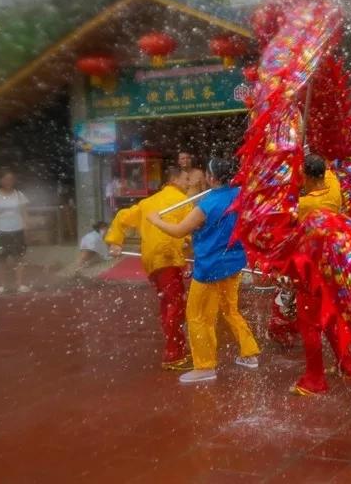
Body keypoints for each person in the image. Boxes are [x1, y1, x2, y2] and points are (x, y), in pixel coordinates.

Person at [148, 157, 261, 383]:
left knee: (198, 316)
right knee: (230, 309)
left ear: (210, 178)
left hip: (210, 267)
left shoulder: (206, 205)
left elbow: (179, 231)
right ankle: (250, 354)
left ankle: (205, 366)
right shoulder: (240, 194)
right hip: (234, 263)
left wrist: (155, 220)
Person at [105, 166, 192, 370]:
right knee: (175, 307)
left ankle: (174, 349)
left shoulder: (148, 202)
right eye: (187, 179)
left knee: (168, 305)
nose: (190, 183)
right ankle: (174, 355)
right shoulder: (183, 201)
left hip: (152, 261)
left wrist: (116, 241)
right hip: (167, 258)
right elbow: (187, 230)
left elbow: (122, 217)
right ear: (175, 179)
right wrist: (187, 243)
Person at [291, 153, 351, 395]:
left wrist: (292, 189)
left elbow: (286, 217)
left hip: (311, 268)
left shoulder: (305, 206)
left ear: (307, 175)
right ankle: (347, 365)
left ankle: (314, 379)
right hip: (333, 264)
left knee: (309, 325)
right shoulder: (334, 187)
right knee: (329, 317)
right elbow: (327, 167)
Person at [0, 169, 30, 295]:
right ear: (0, 180)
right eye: (5, 179)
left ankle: (19, 284)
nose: (8, 181)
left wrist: (26, 228)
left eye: (10, 179)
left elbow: (25, 213)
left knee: (19, 258)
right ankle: (3, 286)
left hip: (18, 230)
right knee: (0, 259)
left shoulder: (19, 194)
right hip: (0, 231)